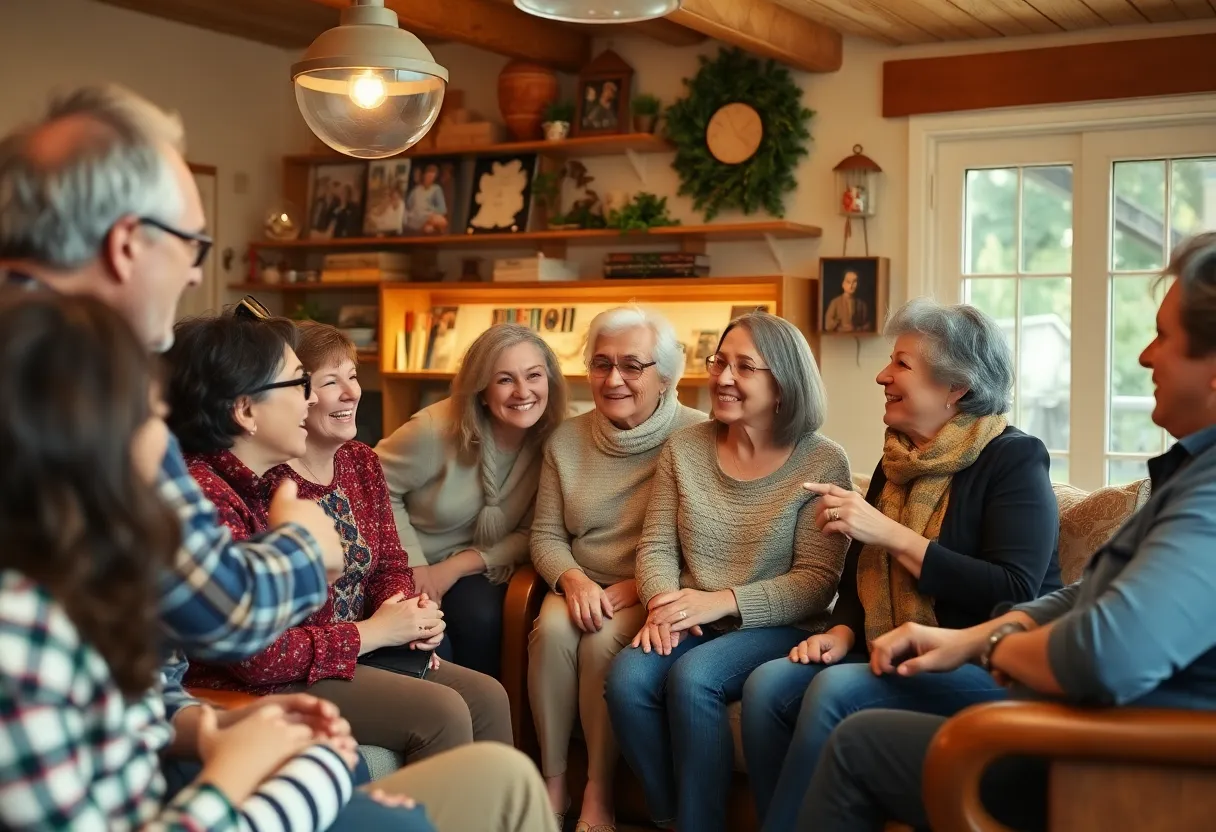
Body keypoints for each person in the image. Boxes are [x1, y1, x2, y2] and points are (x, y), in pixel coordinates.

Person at [801, 232, 1216, 831]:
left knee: (855, 736)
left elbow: (1098, 650)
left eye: (1166, 337)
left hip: (1126, 760)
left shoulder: (1021, 459)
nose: (1145, 356)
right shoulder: (1191, 473)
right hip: (1084, 724)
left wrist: (990, 646)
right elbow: (1083, 596)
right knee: (800, 700)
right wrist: (964, 642)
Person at [0, 293, 412, 831]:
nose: (167, 442)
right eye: (147, 416)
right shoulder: (26, 635)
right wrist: (233, 770)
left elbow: (148, 695)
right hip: (193, 790)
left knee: (356, 780)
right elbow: (242, 628)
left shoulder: (94, 568)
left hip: (194, 747)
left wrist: (208, 730)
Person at [0, 83, 342, 667]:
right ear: (128, 244)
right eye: (193, 245)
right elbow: (225, 614)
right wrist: (306, 543)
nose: (191, 276)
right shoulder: (80, 378)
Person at [740, 298, 1063, 829]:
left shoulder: (1014, 458)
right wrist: (843, 631)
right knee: (766, 687)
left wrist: (890, 535)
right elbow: (857, 580)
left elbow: (1015, 589)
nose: (882, 376)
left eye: (902, 365)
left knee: (832, 689)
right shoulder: (899, 459)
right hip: (887, 648)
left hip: (983, 664)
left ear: (955, 388)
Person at [170, 314, 512, 762]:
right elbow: (257, 657)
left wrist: (401, 609)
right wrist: (371, 632)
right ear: (245, 410)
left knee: (488, 696)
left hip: (339, 653)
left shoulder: (285, 474)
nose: (307, 400)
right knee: (443, 710)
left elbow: (390, 564)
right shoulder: (215, 493)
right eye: (299, 385)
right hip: (265, 679)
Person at [603, 311, 853, 832]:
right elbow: (655, 545)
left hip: (778, 624)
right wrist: (661, 603)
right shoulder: (685, 448)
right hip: (691, 615)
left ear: (783, 384)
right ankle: (673, 816)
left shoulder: (822, 461)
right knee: (627, 679)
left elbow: (815, 581)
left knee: (695, 678)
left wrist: (722, 601)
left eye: (744, 367)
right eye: (720, 362)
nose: (722, 377)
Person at [529, 306, 705, 831]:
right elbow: (545, 535)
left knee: (602, 640)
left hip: (654, 589)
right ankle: (553, 779)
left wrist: (640, 586)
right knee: (553, 629)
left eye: (633, 365)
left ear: (666, 375)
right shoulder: (565, 439)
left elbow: (707, 543)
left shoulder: (698, 437)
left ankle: (599, 790)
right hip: (582, 579)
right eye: (601, 364)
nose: (614, 379)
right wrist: (573, 579)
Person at [376, 323, 567, 678]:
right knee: (429, 645)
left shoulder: (556, 441)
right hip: (401, 562)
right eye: (505, 379)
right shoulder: (434, 429)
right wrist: (415, 567)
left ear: (550, 383)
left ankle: (488, 723)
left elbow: (534, 531)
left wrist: (456, 567)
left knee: (486, 619)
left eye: (534, 376)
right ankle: (446, 727)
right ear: (481, 390)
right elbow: (371, 486)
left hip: (475, 566)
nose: (523, 391)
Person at [405, 164, 448, 233]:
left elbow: (442, 209)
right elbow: (408, 206)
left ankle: (426, 227)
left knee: (442, 222)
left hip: (429, 217)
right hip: (414, 217)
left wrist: (430, 211)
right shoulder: (416, 190)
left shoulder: (436, 189)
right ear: (424, 174)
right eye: (429, 173)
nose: (430, 177)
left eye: (433, 174)